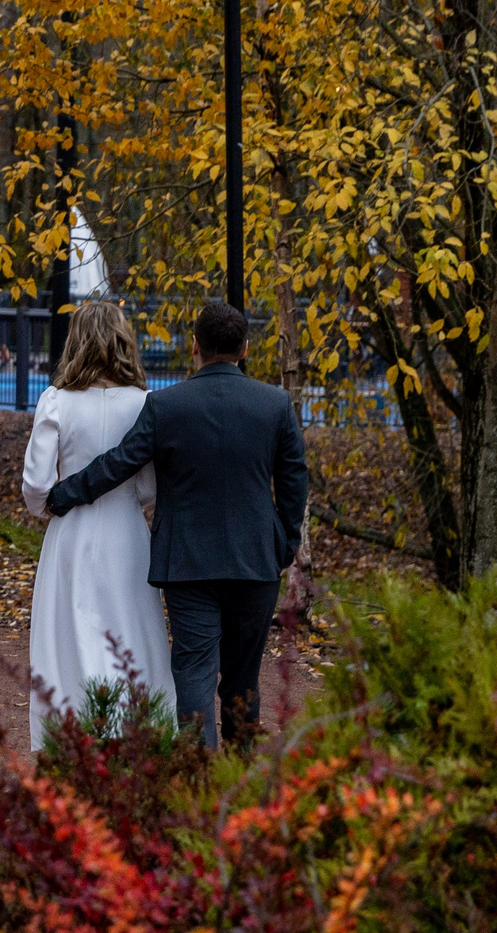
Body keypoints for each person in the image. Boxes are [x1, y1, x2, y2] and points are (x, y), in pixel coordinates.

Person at [46, 301, 306, 750]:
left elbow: (121, 462)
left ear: (194, 346)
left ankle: (197, 772)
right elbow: (294, 479)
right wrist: (284, 543)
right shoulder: (275, 404)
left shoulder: (167, 405)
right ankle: (240, 769)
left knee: (193, 674)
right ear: (245, 348)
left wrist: (66, 493)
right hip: (256, 560)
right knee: (244, 677)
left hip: (188, 562)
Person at [20, 300, 174, 748]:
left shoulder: (57, 402)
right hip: (127, 532)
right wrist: (127, 501)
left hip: (71, 532)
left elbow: (36, 483)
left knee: (67, 631)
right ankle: (135, 725)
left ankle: (70, 728)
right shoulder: (144, 403)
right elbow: (151, 485)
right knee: (131, 627)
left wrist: (49, 508)